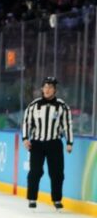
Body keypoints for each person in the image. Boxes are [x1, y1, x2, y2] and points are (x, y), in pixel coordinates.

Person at [22, 76, 73, 209]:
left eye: (50, 87)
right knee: (35, 171)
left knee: (57, 173)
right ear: (42, 89)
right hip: (37, 143)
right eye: (45, 87)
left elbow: (68, 125)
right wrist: (25, 138)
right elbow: (27, 123)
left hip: (54, 143)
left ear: (55, 90)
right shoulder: (33, 105)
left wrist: (69, 142)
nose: (48, 89)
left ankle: (57, 200)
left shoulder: (62, 106)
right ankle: (32, 198)